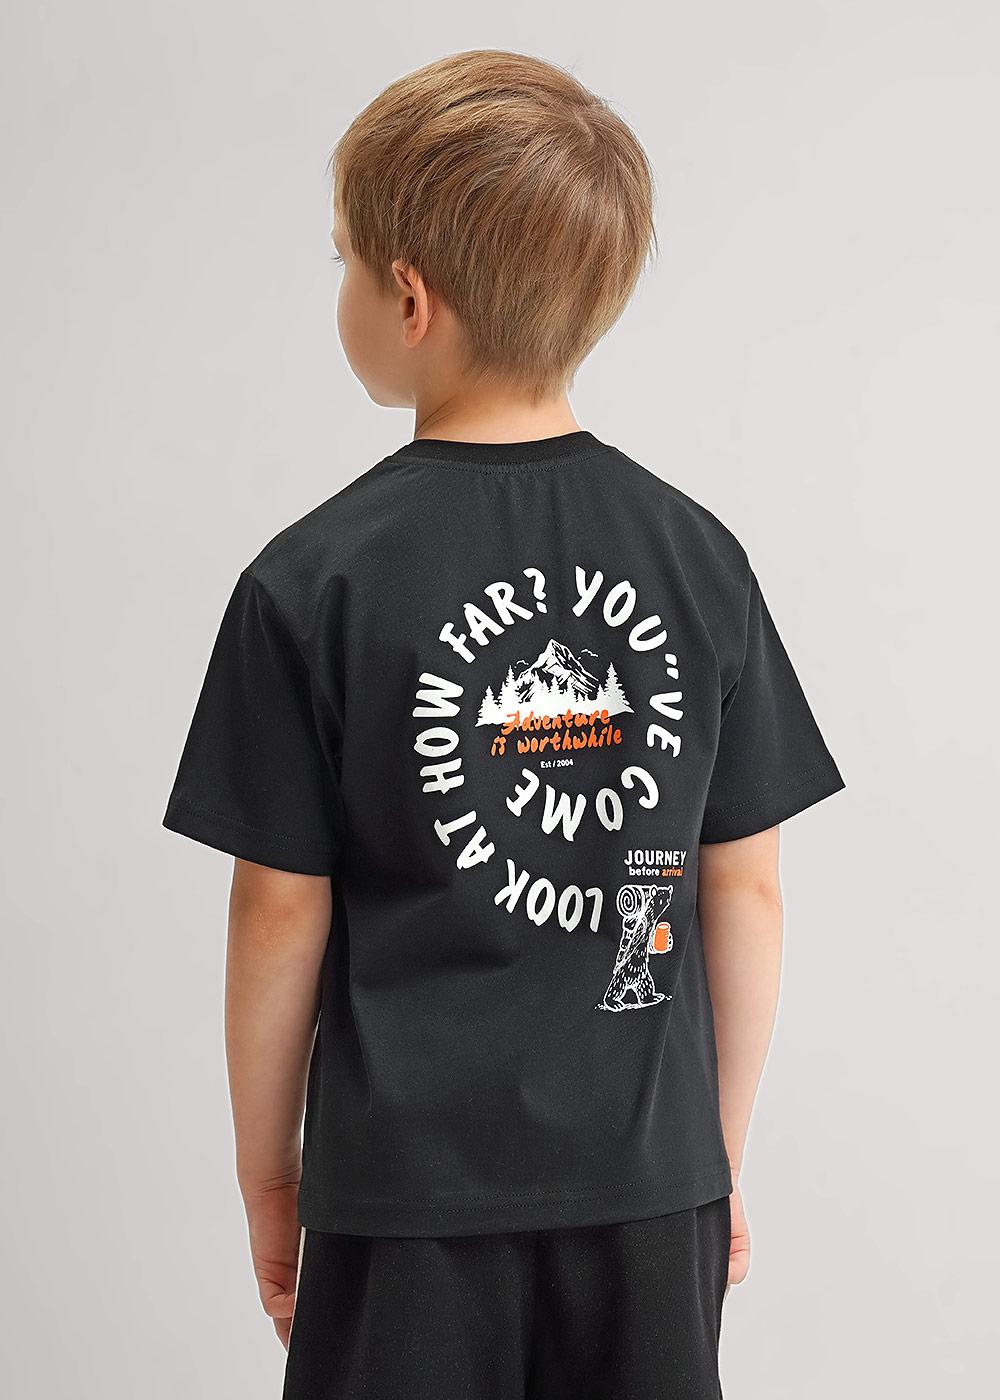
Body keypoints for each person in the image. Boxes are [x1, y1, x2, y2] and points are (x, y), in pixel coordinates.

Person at [164, 49, 845, 1400]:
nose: (343, 289)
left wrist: (269, 1179)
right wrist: (707, 1157)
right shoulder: (698, 558)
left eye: (346, 260)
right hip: (647, 1185)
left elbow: (277, 912)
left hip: (400, 1195)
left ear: (408, 296)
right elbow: (746, 889)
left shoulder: (314, 581)